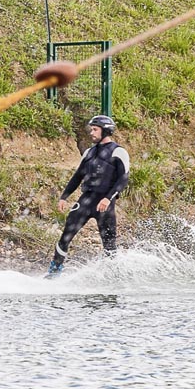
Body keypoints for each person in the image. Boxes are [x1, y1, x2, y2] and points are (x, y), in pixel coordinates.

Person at [45, 114, 130, 278]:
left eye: (95, 129)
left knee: (109, 244)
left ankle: (113, 275)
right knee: (66, 234)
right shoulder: (89, 152)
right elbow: (78, 176)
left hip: (105, 203)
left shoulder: (119, 152)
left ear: (105, 131)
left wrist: (108, 198)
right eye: (91, 129)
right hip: (86, 200)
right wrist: (64, 196)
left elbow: (123, 179)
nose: (91, 132)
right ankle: (54, 271)